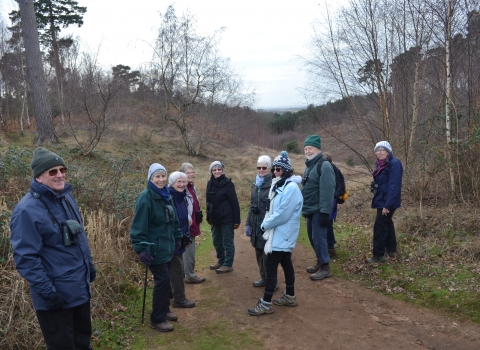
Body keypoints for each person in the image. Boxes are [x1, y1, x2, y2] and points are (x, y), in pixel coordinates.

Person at [10, 147, 96, 349]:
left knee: (83, 341)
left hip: (79, 288)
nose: (60, 175)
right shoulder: (26, 211)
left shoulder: (66, 197)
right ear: (39, 177)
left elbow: (79, 237)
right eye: (53, 171)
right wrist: (49, 293)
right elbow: (26, 259)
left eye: (62, 169)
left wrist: (88, 265)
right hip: (56, 297)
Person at [248, 151, 303, 316]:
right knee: (286, 262)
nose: (276, 172)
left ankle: (266, 303)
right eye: (275, 169)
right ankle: (290, 296)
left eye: (279, 169)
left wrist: (265, 225)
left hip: (283, 232)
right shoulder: (279, 184)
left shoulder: (291, 187)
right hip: (279, 231)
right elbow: (271, 208)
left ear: (286, 170)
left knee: (270, 265)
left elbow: (282, 213)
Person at [130, 163, 183, 333]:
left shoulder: (166, 195)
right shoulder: (145, 198)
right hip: (154, 250)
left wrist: (178, 238)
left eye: (162, 176)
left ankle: (164, 309)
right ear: (150, 178)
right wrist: (141, 249)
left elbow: (174, 221)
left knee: (166, 280)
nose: (161, 180)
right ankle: (157, 319)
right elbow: (138, 228)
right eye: (157, 176)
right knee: (163, 281)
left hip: (167, 248)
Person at [301, 135, 336, 281]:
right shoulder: (310, 166)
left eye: (311, 148)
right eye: (306, 148)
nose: (308, 151)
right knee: (312, 237)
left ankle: (325, 267)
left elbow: (328, 190)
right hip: (310, 209)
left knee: (319, 238)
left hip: (319, 210)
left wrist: (324, 212)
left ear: (318, 149)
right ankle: (320, 261)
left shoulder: (324, 165)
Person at [367, 141, 403, 263]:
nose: (379, 152)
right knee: (387, 223)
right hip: (381, 199)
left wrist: (388, 205)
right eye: (377, 150)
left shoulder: (394, 163)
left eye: (382, 150)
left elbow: (394, 185)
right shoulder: (380, 164)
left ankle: (378, 255)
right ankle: (392, 250)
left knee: (380, 226)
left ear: (388, 151)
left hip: (387, 201)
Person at [206, 161, 241, 274]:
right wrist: (208, 217)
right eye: (214, 169)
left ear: (222, 170)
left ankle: (228, 264)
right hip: (215, 218)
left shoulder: (228, 184)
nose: (217, 171)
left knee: (227, 242)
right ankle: (221, 261)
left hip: (227, 218)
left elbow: (234, 203)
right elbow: (208, 202)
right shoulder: (209, 183)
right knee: (217, 241)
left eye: (219, 169)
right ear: (211, 171)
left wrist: (236, 220)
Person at [167, 171, 196, 308]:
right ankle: (179, 299)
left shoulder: (181, 196)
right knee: (177, 269)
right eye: (179, 181)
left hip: (181, 236)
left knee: (175, 268)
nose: (182, 184)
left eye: (184, 182)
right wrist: (180, 238)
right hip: (173, 239)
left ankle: (172, 294)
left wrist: (187, 237)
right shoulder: (170, 197)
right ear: (172, 183)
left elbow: (185, 220)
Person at [246, 155, 273, 287]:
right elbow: (251, 205)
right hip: (255, 225)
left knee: (267, 255)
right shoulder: (255, 184)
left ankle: (271, 281)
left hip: (267, 225)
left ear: (270, 168)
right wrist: (248, 224)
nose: (261, 170)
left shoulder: (272, 184)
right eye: (259, 167)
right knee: (258, 253)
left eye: (264, 167)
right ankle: (263, 278)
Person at [179, 162, 206, 284]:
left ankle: (186, 274)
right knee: (189, 251)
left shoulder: (191, 187)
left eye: (192, 172)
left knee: (189, 251)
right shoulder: (182, 188)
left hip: (193, 223)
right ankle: (190, 276)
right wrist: (189, 220)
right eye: (187, 172)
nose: (190, 175)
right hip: (187, 225)